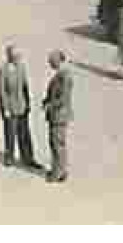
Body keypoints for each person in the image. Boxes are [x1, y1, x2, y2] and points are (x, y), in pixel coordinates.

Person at [0, 45, 39, 170]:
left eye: (19, 56)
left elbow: (25, 86)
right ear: (9, 56)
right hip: (10, 107)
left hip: (22, 105)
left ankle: (28, 158)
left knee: (25, 133)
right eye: (15, 56)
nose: (18, 58)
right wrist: (5, 108)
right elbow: (1, 91)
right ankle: (9, 157)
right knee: (10, 132)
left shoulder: (22, 67)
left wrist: (28, 103)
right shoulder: (2, 70)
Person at [43, 50, 73, 183]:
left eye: (51, 62)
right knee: (58, 143)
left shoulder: (64, 77)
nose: (50, 64)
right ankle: (61, 170)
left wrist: (49, 105)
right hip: (58, 114)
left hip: (59, 115)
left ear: (58, 61)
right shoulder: (61, 75)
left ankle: (57, 173)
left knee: (56, 144)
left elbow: (63, 99)